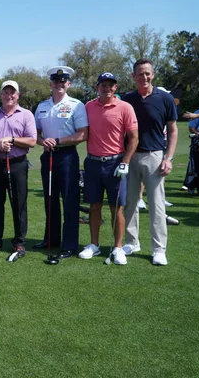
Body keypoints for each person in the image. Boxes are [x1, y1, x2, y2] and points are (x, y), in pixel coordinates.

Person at [123, 59, 178, 266]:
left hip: (155, 156)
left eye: (147, 73)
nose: (144, 77)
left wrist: (169, 158)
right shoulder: (128, 100)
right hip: (130, 156)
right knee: (130, 203)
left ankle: (158, 249)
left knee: (156, 205)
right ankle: (131, 241)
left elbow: (172, 130)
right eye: (140, 74)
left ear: (152, 75)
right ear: (133, 76)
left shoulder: (165, 98)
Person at [79, 72, 138, 264]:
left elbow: (134, 137)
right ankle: (94, 245)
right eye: (103, 85)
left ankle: (118, 247)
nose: (107, 88)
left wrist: (125, 162)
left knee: (116, 207)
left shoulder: (125, 108)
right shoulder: (88, 107)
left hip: (115, 163)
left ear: (115, 87)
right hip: (93, 162)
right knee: (94, 206)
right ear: (97, 87)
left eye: (110, 85)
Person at [34, 67, 88, 259]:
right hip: (47, 156)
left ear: (68, 84)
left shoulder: (76, 105)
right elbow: (36, 134)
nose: (59, 84)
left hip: (67, 157)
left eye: (63, 81)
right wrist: (44, 142)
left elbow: (83, 134)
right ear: (50, 84)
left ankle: (70, 244)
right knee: (50, 200)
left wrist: (58, 141)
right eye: (56, 81)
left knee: (70, 201)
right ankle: (51, 239)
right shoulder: (41, 106)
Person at [0, 80, 37, 258]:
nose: (9, 96)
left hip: (18, 165)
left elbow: (32, 140)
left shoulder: (26, 115)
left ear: (18, 95)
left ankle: (19, 242)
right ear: (1, 95)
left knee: (19, 204)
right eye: (5, 92)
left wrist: (11, 140)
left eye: (12, 92)